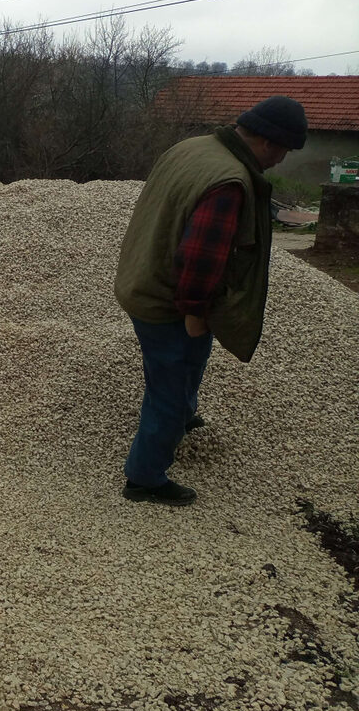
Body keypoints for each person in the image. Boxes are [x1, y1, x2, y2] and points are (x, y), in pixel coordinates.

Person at [113, 95, 308, 506]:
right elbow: (200, 260)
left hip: (143, 279)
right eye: (285, 151)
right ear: (271, 143)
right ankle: (144, 478)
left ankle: (181, 416)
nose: (281, 160)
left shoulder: (194, 147)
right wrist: (194, 312)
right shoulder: (229, 181)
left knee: (183, 367)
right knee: (171, 383)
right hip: (168, 300)